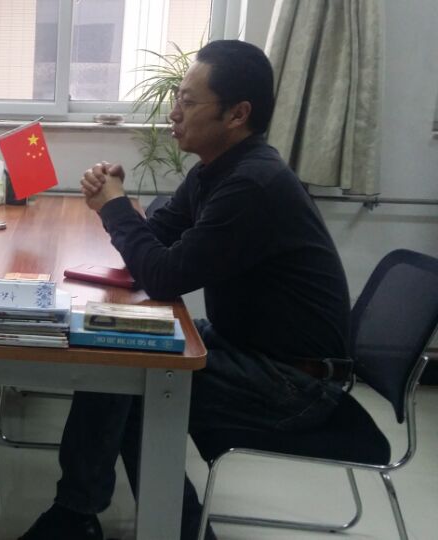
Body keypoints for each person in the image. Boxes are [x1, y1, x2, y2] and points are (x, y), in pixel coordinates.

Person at [19, 40, 352, 540]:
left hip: (295, 381)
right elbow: (158, 233)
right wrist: (119, 202)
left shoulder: (252, 185)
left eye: (189, 102)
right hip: (247, 348)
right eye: (177, 97)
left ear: (237, 114)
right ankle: (113, 518)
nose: (174, 112)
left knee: (130, 374)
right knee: (115, 351)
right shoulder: (217, 171)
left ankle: (86, 517)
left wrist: (115, 208)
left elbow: (163, 275)